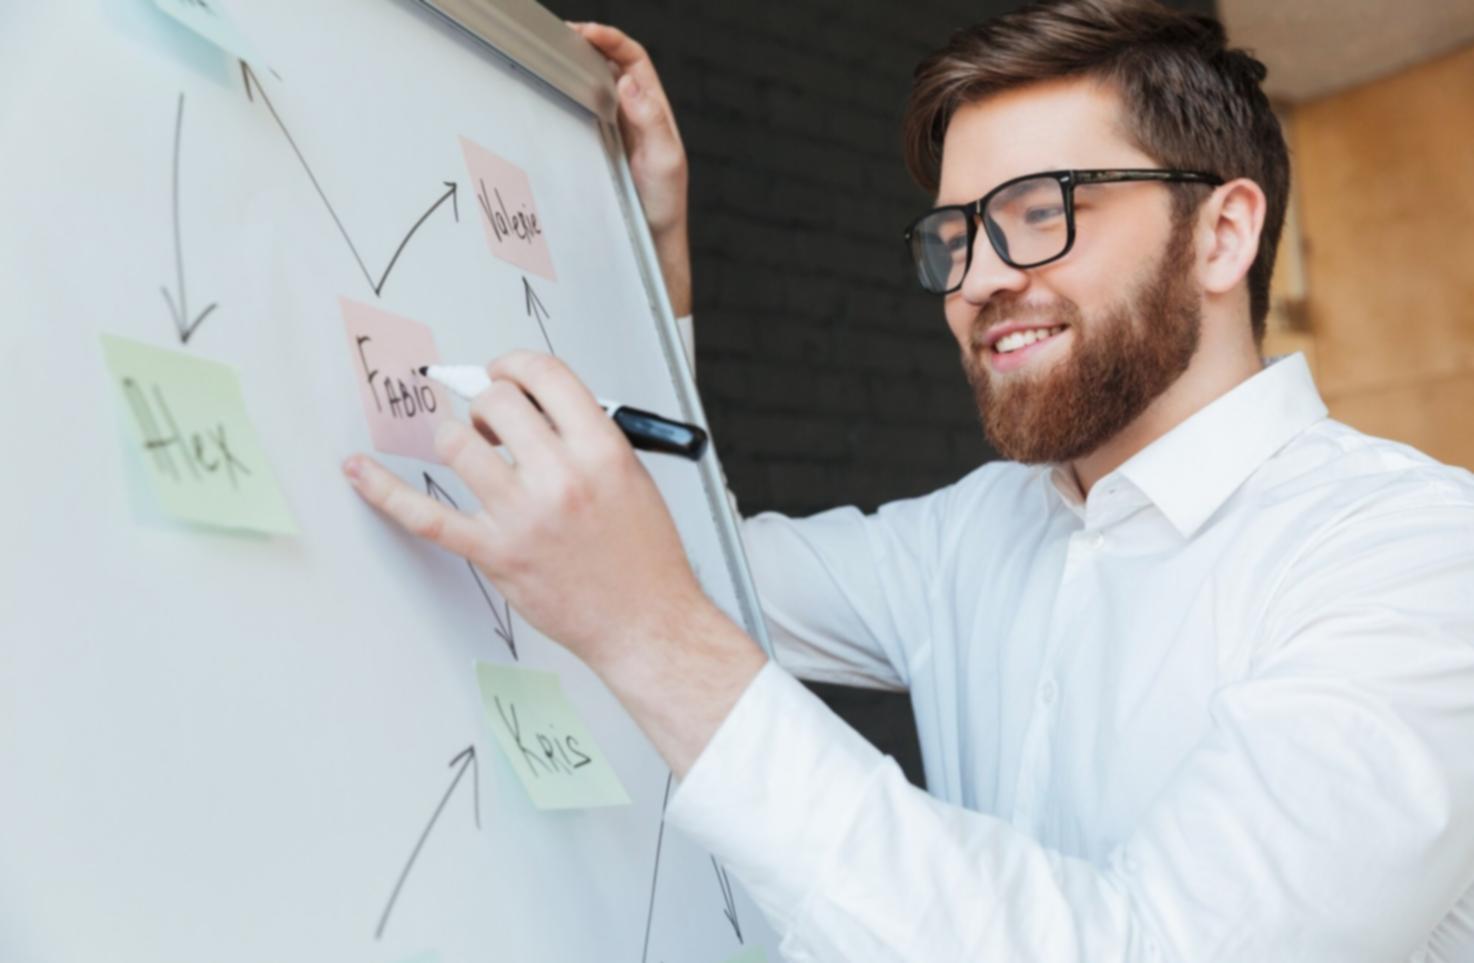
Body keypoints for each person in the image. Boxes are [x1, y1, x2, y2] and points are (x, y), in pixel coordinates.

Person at [340, 0, 1474, 958]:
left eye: (1040, 214)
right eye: (954, 235)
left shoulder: (1415, 558)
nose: (975, 280)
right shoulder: (970, 535)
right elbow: (666, 563)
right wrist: (647, 267)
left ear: (1221, 235)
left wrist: (651, 637)